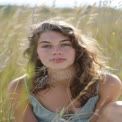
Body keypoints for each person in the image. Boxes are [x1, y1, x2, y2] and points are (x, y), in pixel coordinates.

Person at [8, 20, 122, 122]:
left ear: (77, 49)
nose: (56, 51)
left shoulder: (106, 83)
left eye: (64, 44)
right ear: (36, 52)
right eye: (46, 46)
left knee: (118, 109)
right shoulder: (20, 86)